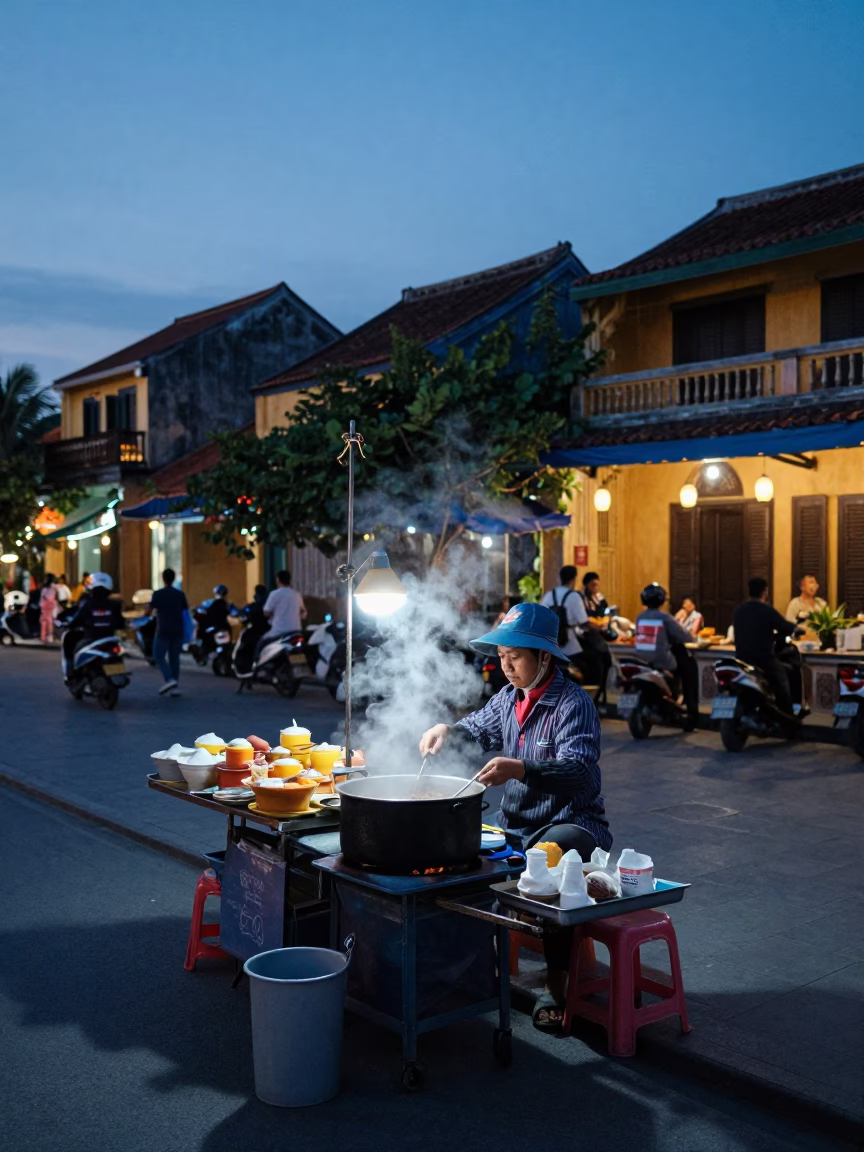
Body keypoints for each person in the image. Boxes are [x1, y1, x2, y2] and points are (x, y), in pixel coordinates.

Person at [419, 602, 611, 1032]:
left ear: (545, 657)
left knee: (553, 862)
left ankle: (557, 984)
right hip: (517, 826)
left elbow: (579, 770)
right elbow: (476, 728)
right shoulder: (509, 698)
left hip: (574, 823)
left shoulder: (572, 704)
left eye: (516, 657)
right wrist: (445, 730)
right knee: (460, 860)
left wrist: (521, 768)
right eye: (502, 658)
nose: (506, 667)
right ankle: (467, 966)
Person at [734, 577, 802, 716]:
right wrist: (796, 629)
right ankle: (788, 716)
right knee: (782, 680)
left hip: (741, 658)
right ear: (765, 592)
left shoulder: (739, 611)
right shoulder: (766, 610)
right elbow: (784, 626)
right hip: (763, 658)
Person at [635, 583, 699, 729]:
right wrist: (693, 638)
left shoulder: (640, 617)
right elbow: (684, 636)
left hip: (642, 660)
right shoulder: (665, 618)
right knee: (689, 668)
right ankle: (691, 712)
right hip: (661, 661)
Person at [149, 568, 189, 696]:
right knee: (174, 658)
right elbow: (185, 611)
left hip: (163, 629)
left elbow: (148, 610)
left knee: (158, 656)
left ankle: (169, 679)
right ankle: (175, 686)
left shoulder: (158, 594)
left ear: (163, 579)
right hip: (178, 629)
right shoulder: (180, 594)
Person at [541, 564, 589, 669]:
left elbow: (540, 617)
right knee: (588, 663)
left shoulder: (549, 595)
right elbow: (583, 622)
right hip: (570, 647)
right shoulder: (574, 596)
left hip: (550, 645)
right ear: (574, 579)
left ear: (560, 578)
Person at [576, 571, 613, 701]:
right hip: (584, 636)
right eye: (592, 585)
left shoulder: (599, 598)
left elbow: (606, 612)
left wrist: (605, 621)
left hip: (598, 633)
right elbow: (583, 621)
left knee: (606, 661)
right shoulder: (579, 598)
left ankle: (601, 691)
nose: (595, 588)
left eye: (597, 585)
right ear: (586, 585)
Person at [71, 572, 124, 642]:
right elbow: (121, 624)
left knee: (77, 650)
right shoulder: (116, 605)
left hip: (91, 640)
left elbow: (77, 620)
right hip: (110, 640)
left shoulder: (88, 604)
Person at [262, 570, 306, 641]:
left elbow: (266, 613)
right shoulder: (297, 595)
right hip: (296, 631)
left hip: (279, 631)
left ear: (277, 580)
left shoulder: (274, 594)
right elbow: (303, 613)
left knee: (262, 642)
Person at [39, 574, 58, 644]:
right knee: (47, 623)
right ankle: (47, 638)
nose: (45, 580)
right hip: (47, 608)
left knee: (46, 623)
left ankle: (45, 638)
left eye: (46, 578)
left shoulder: (51, 588)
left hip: (48, 608)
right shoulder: (50, 588)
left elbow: (49, 599)